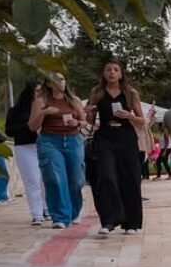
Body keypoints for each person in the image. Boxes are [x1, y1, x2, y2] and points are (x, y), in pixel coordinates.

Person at [87, 60, 146, 235]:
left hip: (126, 137)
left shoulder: (130, 93)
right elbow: (90, 120)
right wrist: (88, 111)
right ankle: (109, 220)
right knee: (106, 176)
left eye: (115, 69)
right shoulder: (97, 92)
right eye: (108, 69)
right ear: (103, 73)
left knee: (130, 178)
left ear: (121, 73)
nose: (111, 72)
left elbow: (142, 121)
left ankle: (132, 222)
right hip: (105, 137)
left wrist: (129, 116)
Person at [33, 73, 87, 230]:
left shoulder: (74, 100)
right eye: (56, 80)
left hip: (73, 140)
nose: (60, 82)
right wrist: (43, 113)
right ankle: (60, 217)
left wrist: (77, 122)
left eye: (63, 79)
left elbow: (84, 122)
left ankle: (73, 211)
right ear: (49, 84)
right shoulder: (41, 101)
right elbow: (32, 126)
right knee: (55, 179)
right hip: (50, 141)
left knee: (76, 180)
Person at [7, 83, 48, 226]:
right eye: (36, 91)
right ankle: (36, 214)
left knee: (46, 180)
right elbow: (9, 130)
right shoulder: (16, 111)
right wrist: (29, 126)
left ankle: (46, 208)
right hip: (25, 147)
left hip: (44, 146)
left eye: (41, 91)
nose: (39, 94)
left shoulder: (47, 108)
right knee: (33, 180)